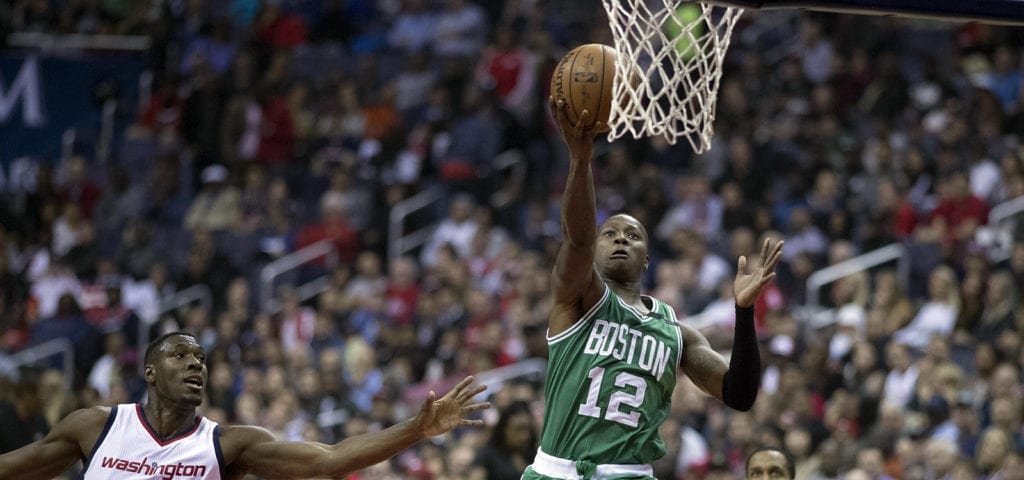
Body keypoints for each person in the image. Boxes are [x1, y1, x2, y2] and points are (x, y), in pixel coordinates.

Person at [521, 100, 783, 479]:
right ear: (594, 252)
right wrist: (580, 161)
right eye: (609, 233)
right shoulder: (579, 299)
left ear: (647, 259)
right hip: (555, 471)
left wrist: (744, 313)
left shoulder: (677, 333)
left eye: (633, 235)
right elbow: (576, 239)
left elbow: (740, 395)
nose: (621, 239)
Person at [0, 331, 490, 479]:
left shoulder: (226, 444)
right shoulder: (96, 427)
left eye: (202, 358)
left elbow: (330, 460)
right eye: (180, 355)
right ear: (150, 371)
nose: (196, 364)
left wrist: (416, 430)